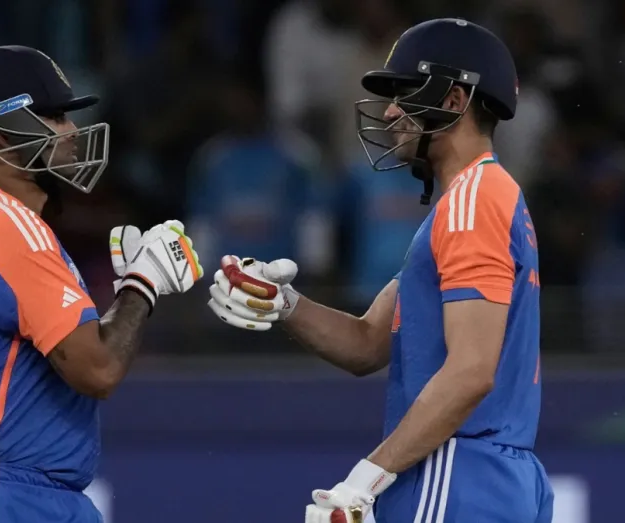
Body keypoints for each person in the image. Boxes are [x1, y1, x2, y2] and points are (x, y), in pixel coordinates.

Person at [208, 19, 553, 523]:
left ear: (455, 100)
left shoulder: (472, 203)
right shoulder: (474, 200)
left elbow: (471, 372)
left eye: (406, 94)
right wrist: (284, 303)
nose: (391, 111)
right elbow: (368, 343)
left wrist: (365, 480)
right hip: (488, 473)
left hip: (456, 469)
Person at [0, 45, 203, 523]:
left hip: (32, 491)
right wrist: (143, 283)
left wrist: (134, 287)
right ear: (0, 134)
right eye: (52, 117)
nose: (70, 131)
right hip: (0, 492)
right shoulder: (2, 222)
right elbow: (98, 369)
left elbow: (82, 352)